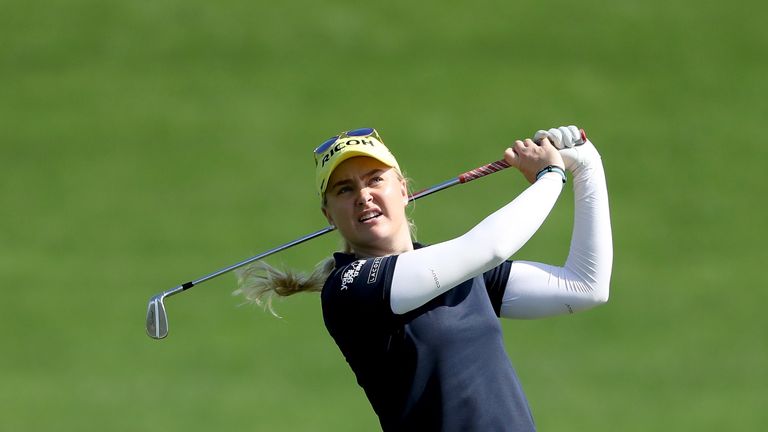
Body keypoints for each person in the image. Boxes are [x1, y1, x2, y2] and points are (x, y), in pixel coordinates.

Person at [235, 125, 612, 431]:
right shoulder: (350, 289)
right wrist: (550, 176)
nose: (363, 196)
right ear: (329, 214)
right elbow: (491, 248)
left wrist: (587, 166)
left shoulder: (457, 269)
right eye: (344, 189)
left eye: (374, 180)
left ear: (403, 189)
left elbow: (583, 287)